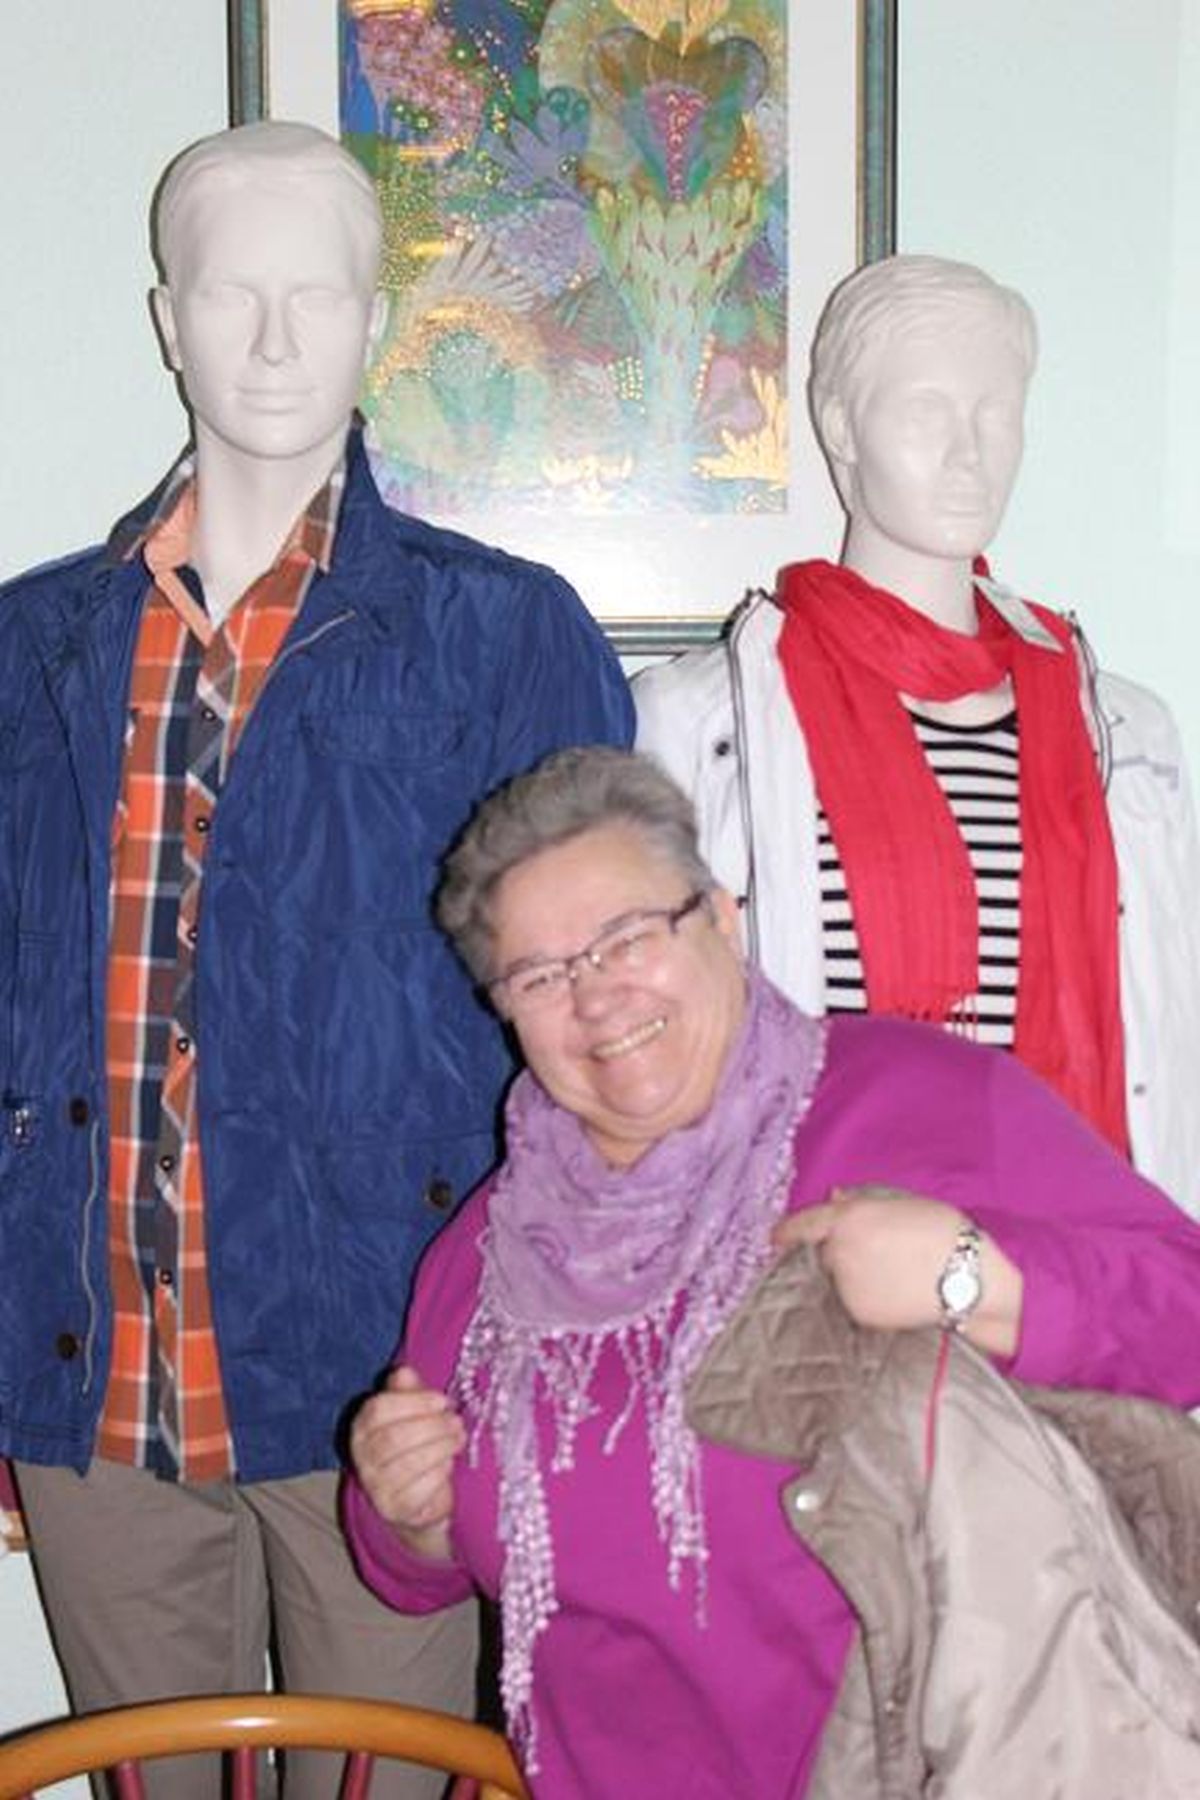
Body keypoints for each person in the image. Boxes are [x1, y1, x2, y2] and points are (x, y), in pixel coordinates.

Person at [0, 120, 631, 1799]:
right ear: (165, 320)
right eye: (231, 293)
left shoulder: (503, 636)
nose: (275, 339)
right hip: (94, 1387)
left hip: (394, 1382)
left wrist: (550, 1372)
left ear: (375, 322)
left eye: (318, 295)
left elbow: (601, 1035)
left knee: (402, 1779)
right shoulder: (29, 648)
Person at [343, 745, 1200, 1798]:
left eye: (628, 937)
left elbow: (1186, 1317)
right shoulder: (486, 1259)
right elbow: (411, 1573)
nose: (597, 997)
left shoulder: (921, 1099)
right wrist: (406, 1518)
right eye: (543, 975)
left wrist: (971, 1277)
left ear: (721, 918)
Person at [634, 253, 1200, 1217]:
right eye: (927, 410)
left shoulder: (1126, 738)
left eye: (997, 411)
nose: (970, 451)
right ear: (840, 426)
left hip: (1075, 1266)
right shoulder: (694, 725)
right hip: (809, 1268)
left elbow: (1169, 1054)